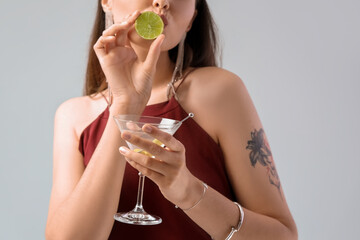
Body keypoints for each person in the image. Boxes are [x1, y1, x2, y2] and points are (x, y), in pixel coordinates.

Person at [46, 0, 298, 239]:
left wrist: (188, 191)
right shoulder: (73, 116)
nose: (163, 2)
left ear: (192, 18)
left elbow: (283, 236)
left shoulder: (221, 92)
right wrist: (124, 106)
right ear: (106, 1)